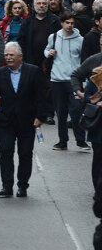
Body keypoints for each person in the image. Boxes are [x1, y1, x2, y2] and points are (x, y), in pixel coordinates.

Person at [0, 42, 46, 198]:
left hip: (27, 120)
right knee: (5, 152)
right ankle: (6, 186)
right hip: (6, 120)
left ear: (20, 56)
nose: (8, 58)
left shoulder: (33, 71)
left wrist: (40, 116)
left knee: (25, 154)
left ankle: (22, 186)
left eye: (11, 55)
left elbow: (41, 95)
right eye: (6, 55)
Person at [43, 11, 88, 151]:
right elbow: (46, 50)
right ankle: (62, 141)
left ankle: (81, 140)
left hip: (74, 80)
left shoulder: (80, 40)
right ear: (62, 23)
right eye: (67, 23)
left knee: (76, 110)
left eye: (72, 23)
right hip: (57, 79)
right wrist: (49, 53)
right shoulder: (54, 37)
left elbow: (84, 59)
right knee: (61, 112)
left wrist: (84, 79)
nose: (69, 25)